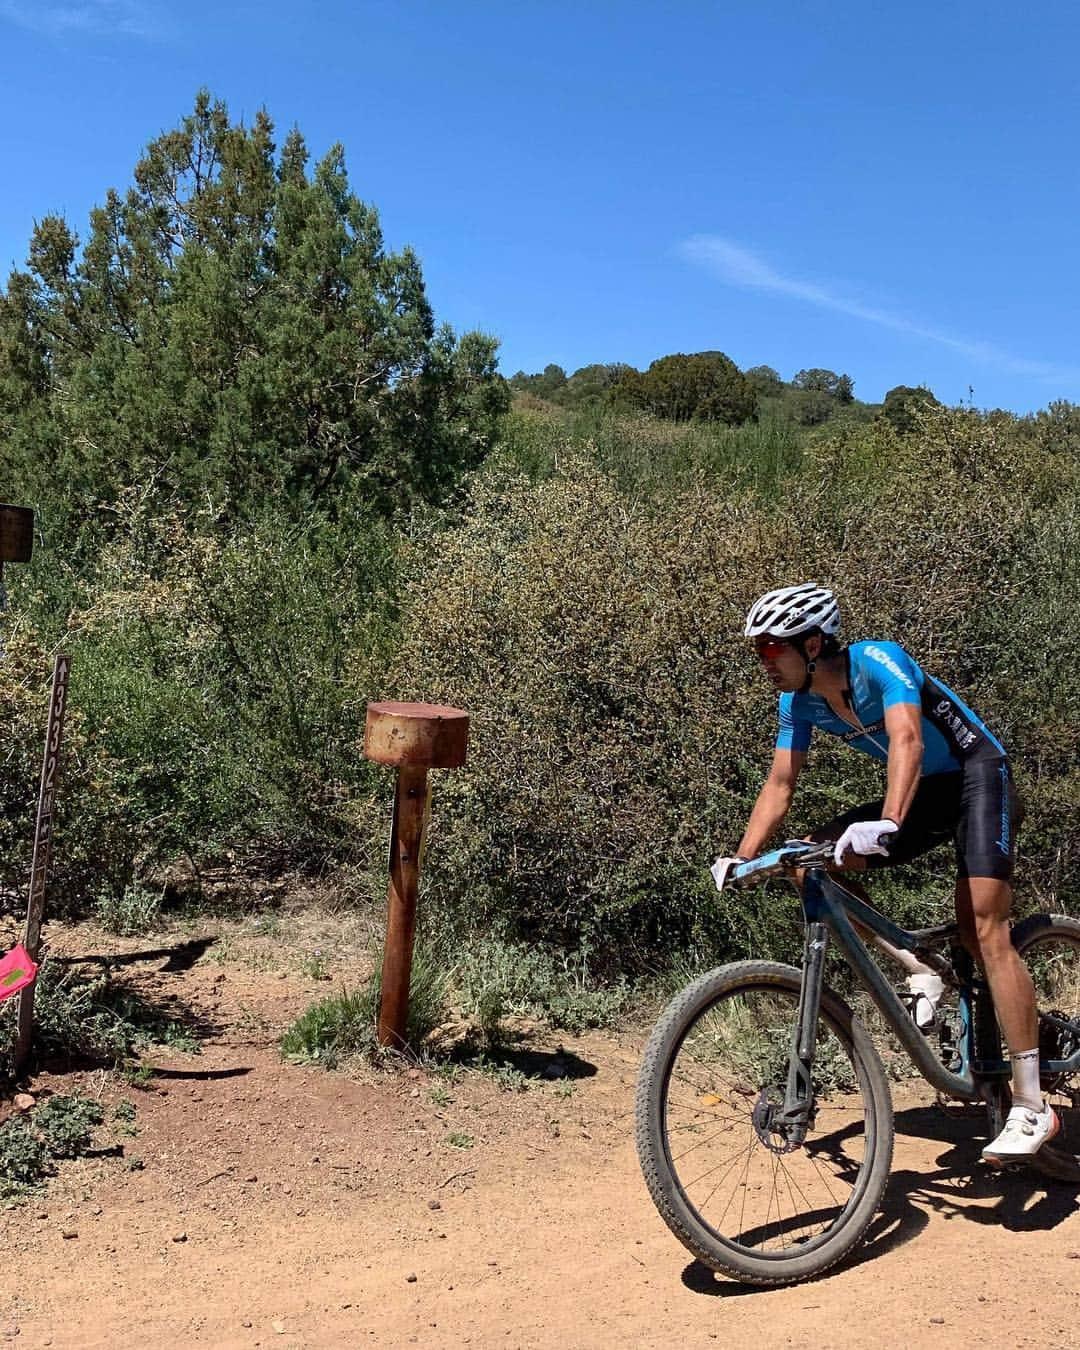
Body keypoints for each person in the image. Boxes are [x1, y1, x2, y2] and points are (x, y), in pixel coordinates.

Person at [712, 582, 1058, 1164]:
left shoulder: (879, 660)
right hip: (923, 795)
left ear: (814, 643)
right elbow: (780, 783)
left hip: (977, 776)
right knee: (809, 863)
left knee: (982, 926)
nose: (764, 662)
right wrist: (744, 857)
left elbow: (907, 740)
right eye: (758, 652)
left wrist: (890, 820)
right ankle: (922, 967)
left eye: (772, 649)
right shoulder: (798, 701)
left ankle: (1031, 1104)